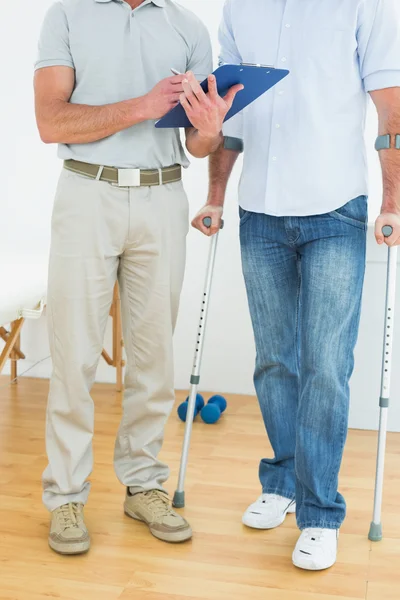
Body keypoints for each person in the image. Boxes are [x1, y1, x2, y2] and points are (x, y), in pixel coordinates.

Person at [190, 0, 400, 571]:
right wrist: (214, 196)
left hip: (336, 209)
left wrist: (392, 201)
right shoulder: (240, 10)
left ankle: (320, 512)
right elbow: (228, 120)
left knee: (326, 367)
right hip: (259, 211)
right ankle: (282, 481)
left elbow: (391, 111)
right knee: (275, 360)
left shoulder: (363, 5)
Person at [34, 0, 241, 555]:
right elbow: (51, 122)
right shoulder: (68, 15)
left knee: (153, 356)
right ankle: (67, 495)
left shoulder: (189, 28)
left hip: (162, 195)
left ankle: (143, 483)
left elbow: (198, 148)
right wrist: (143, 105)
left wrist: (209, 129)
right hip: (86, 193)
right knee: (75, 353)